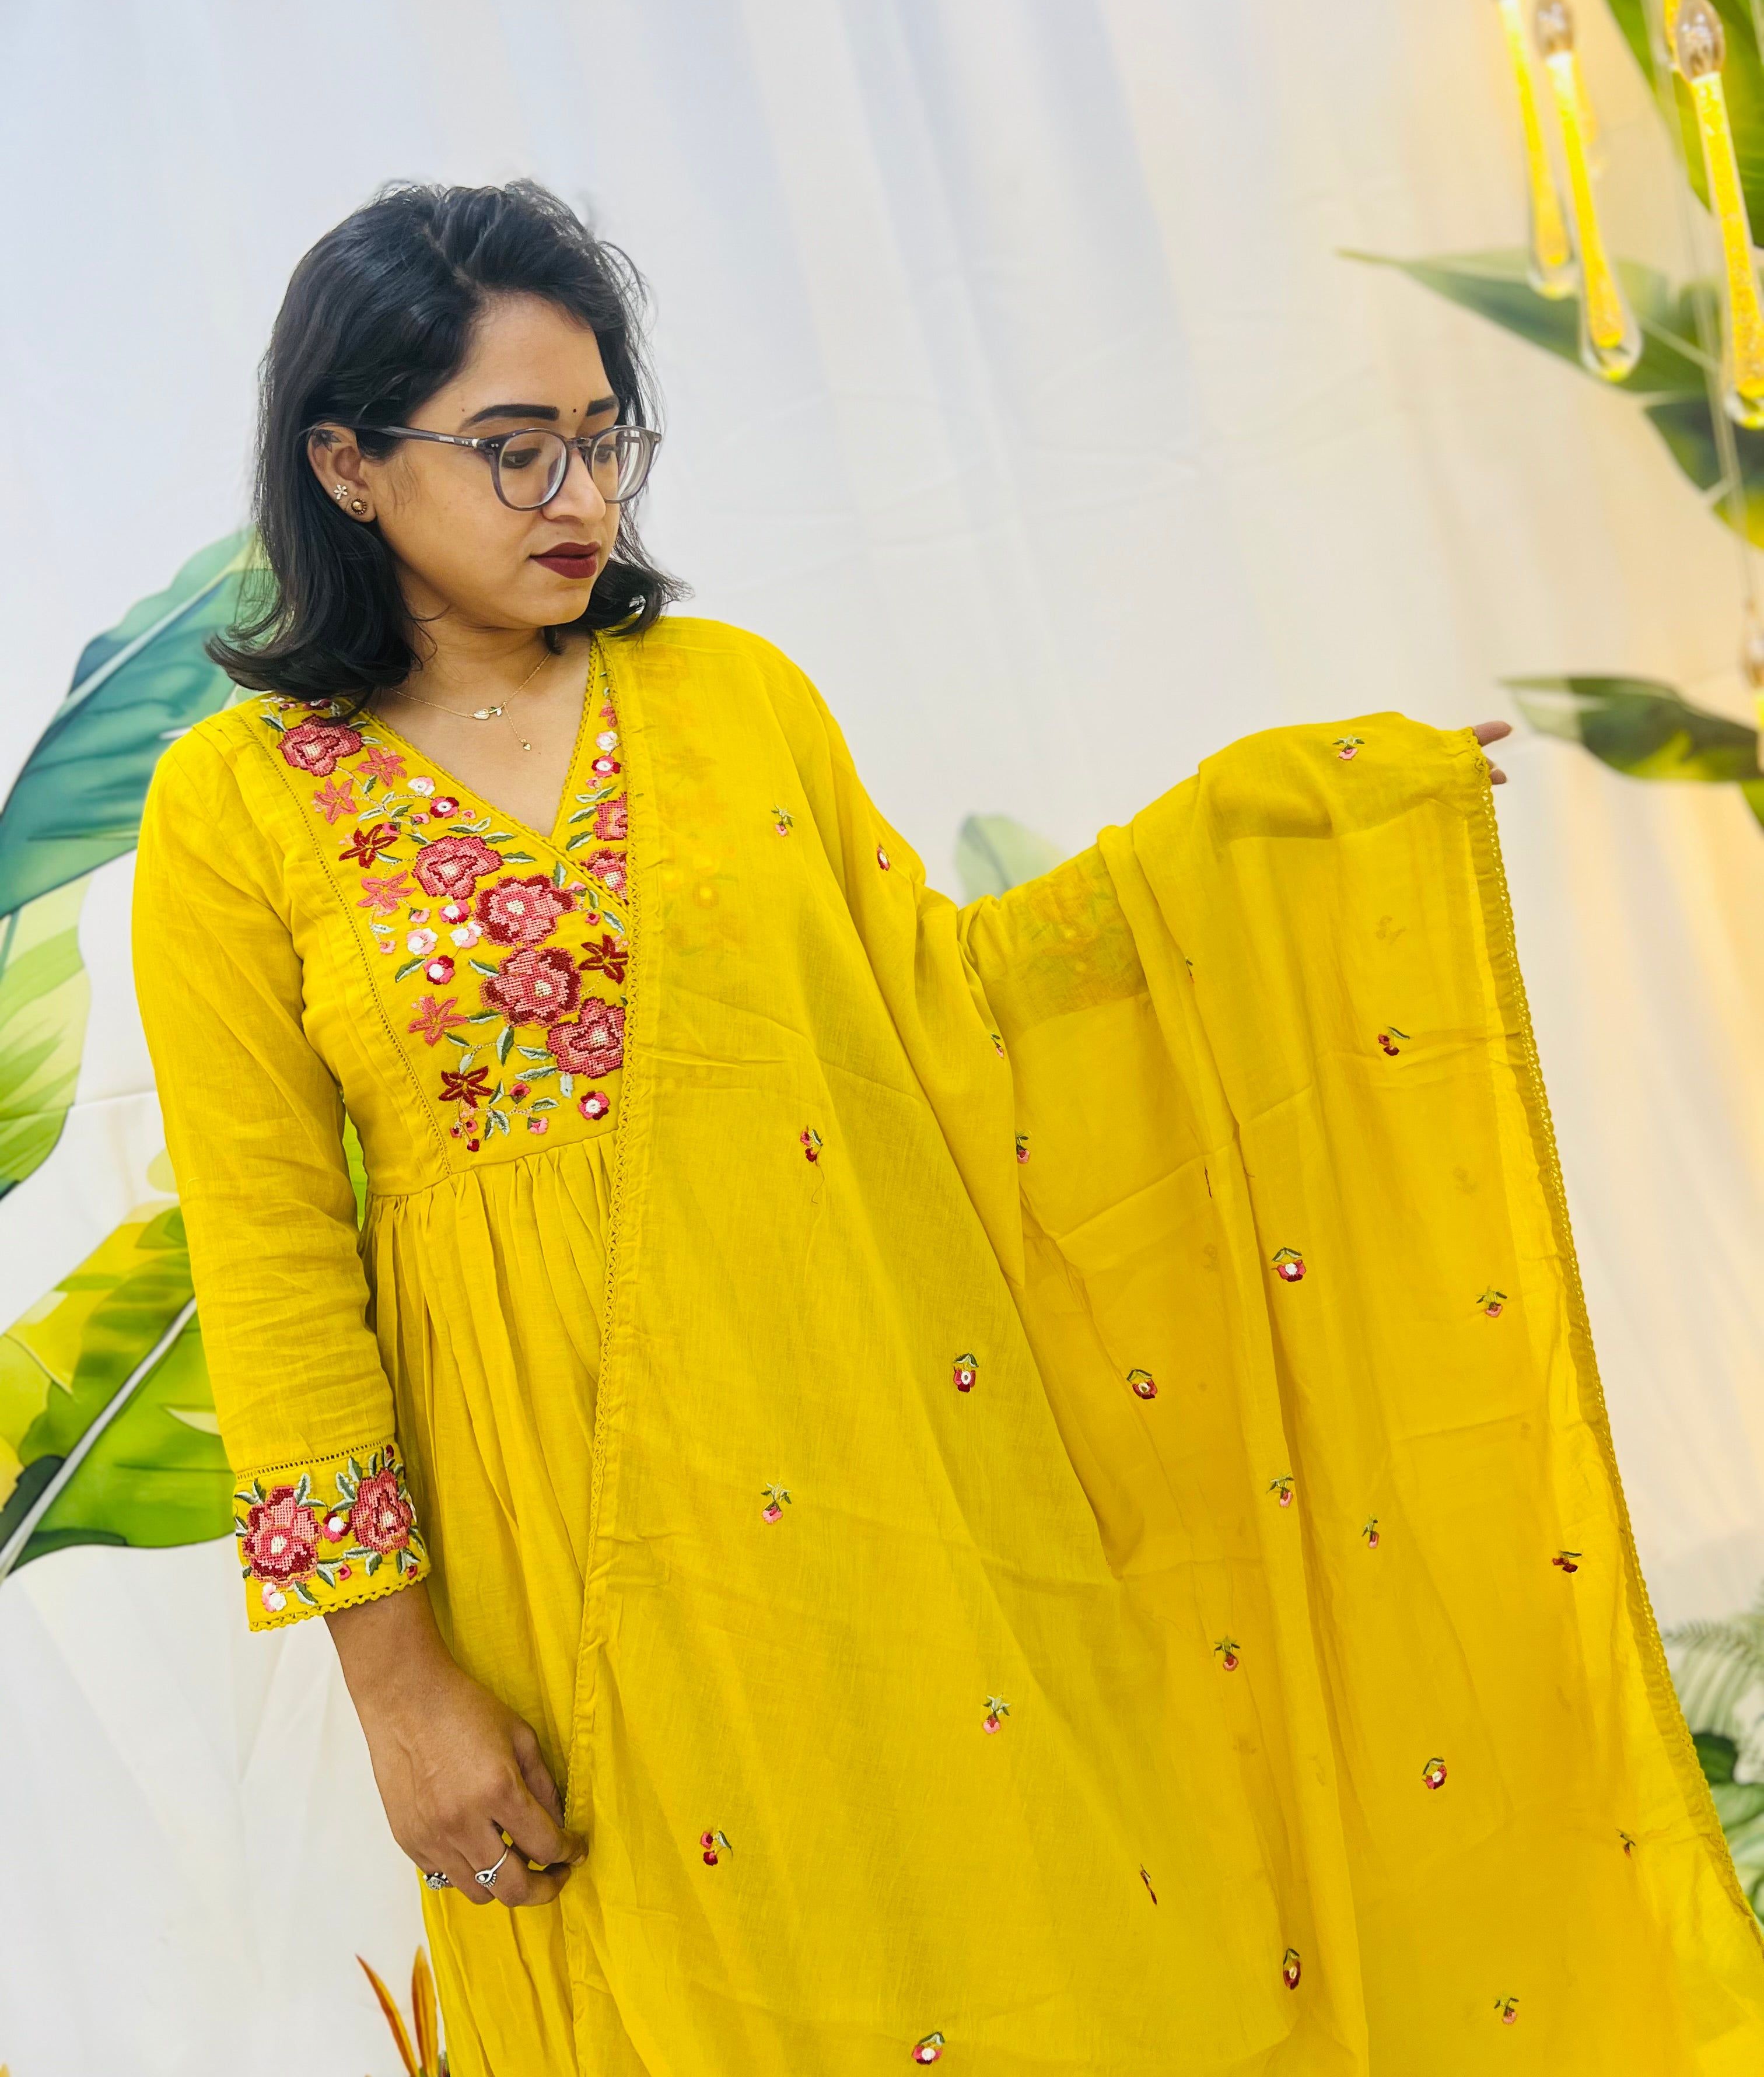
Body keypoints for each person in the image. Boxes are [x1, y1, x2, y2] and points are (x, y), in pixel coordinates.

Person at [134, 182, 1764, 2076]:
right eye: (511, 451)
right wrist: (397, 1685)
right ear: (345, 463)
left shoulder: (735, 705)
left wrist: (1252, 837)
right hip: (557, 1543)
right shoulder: (236, 812)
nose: (576, 495)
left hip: (883, 1458)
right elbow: (265, 1266)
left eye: (603, 436)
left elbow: (948, 1012)